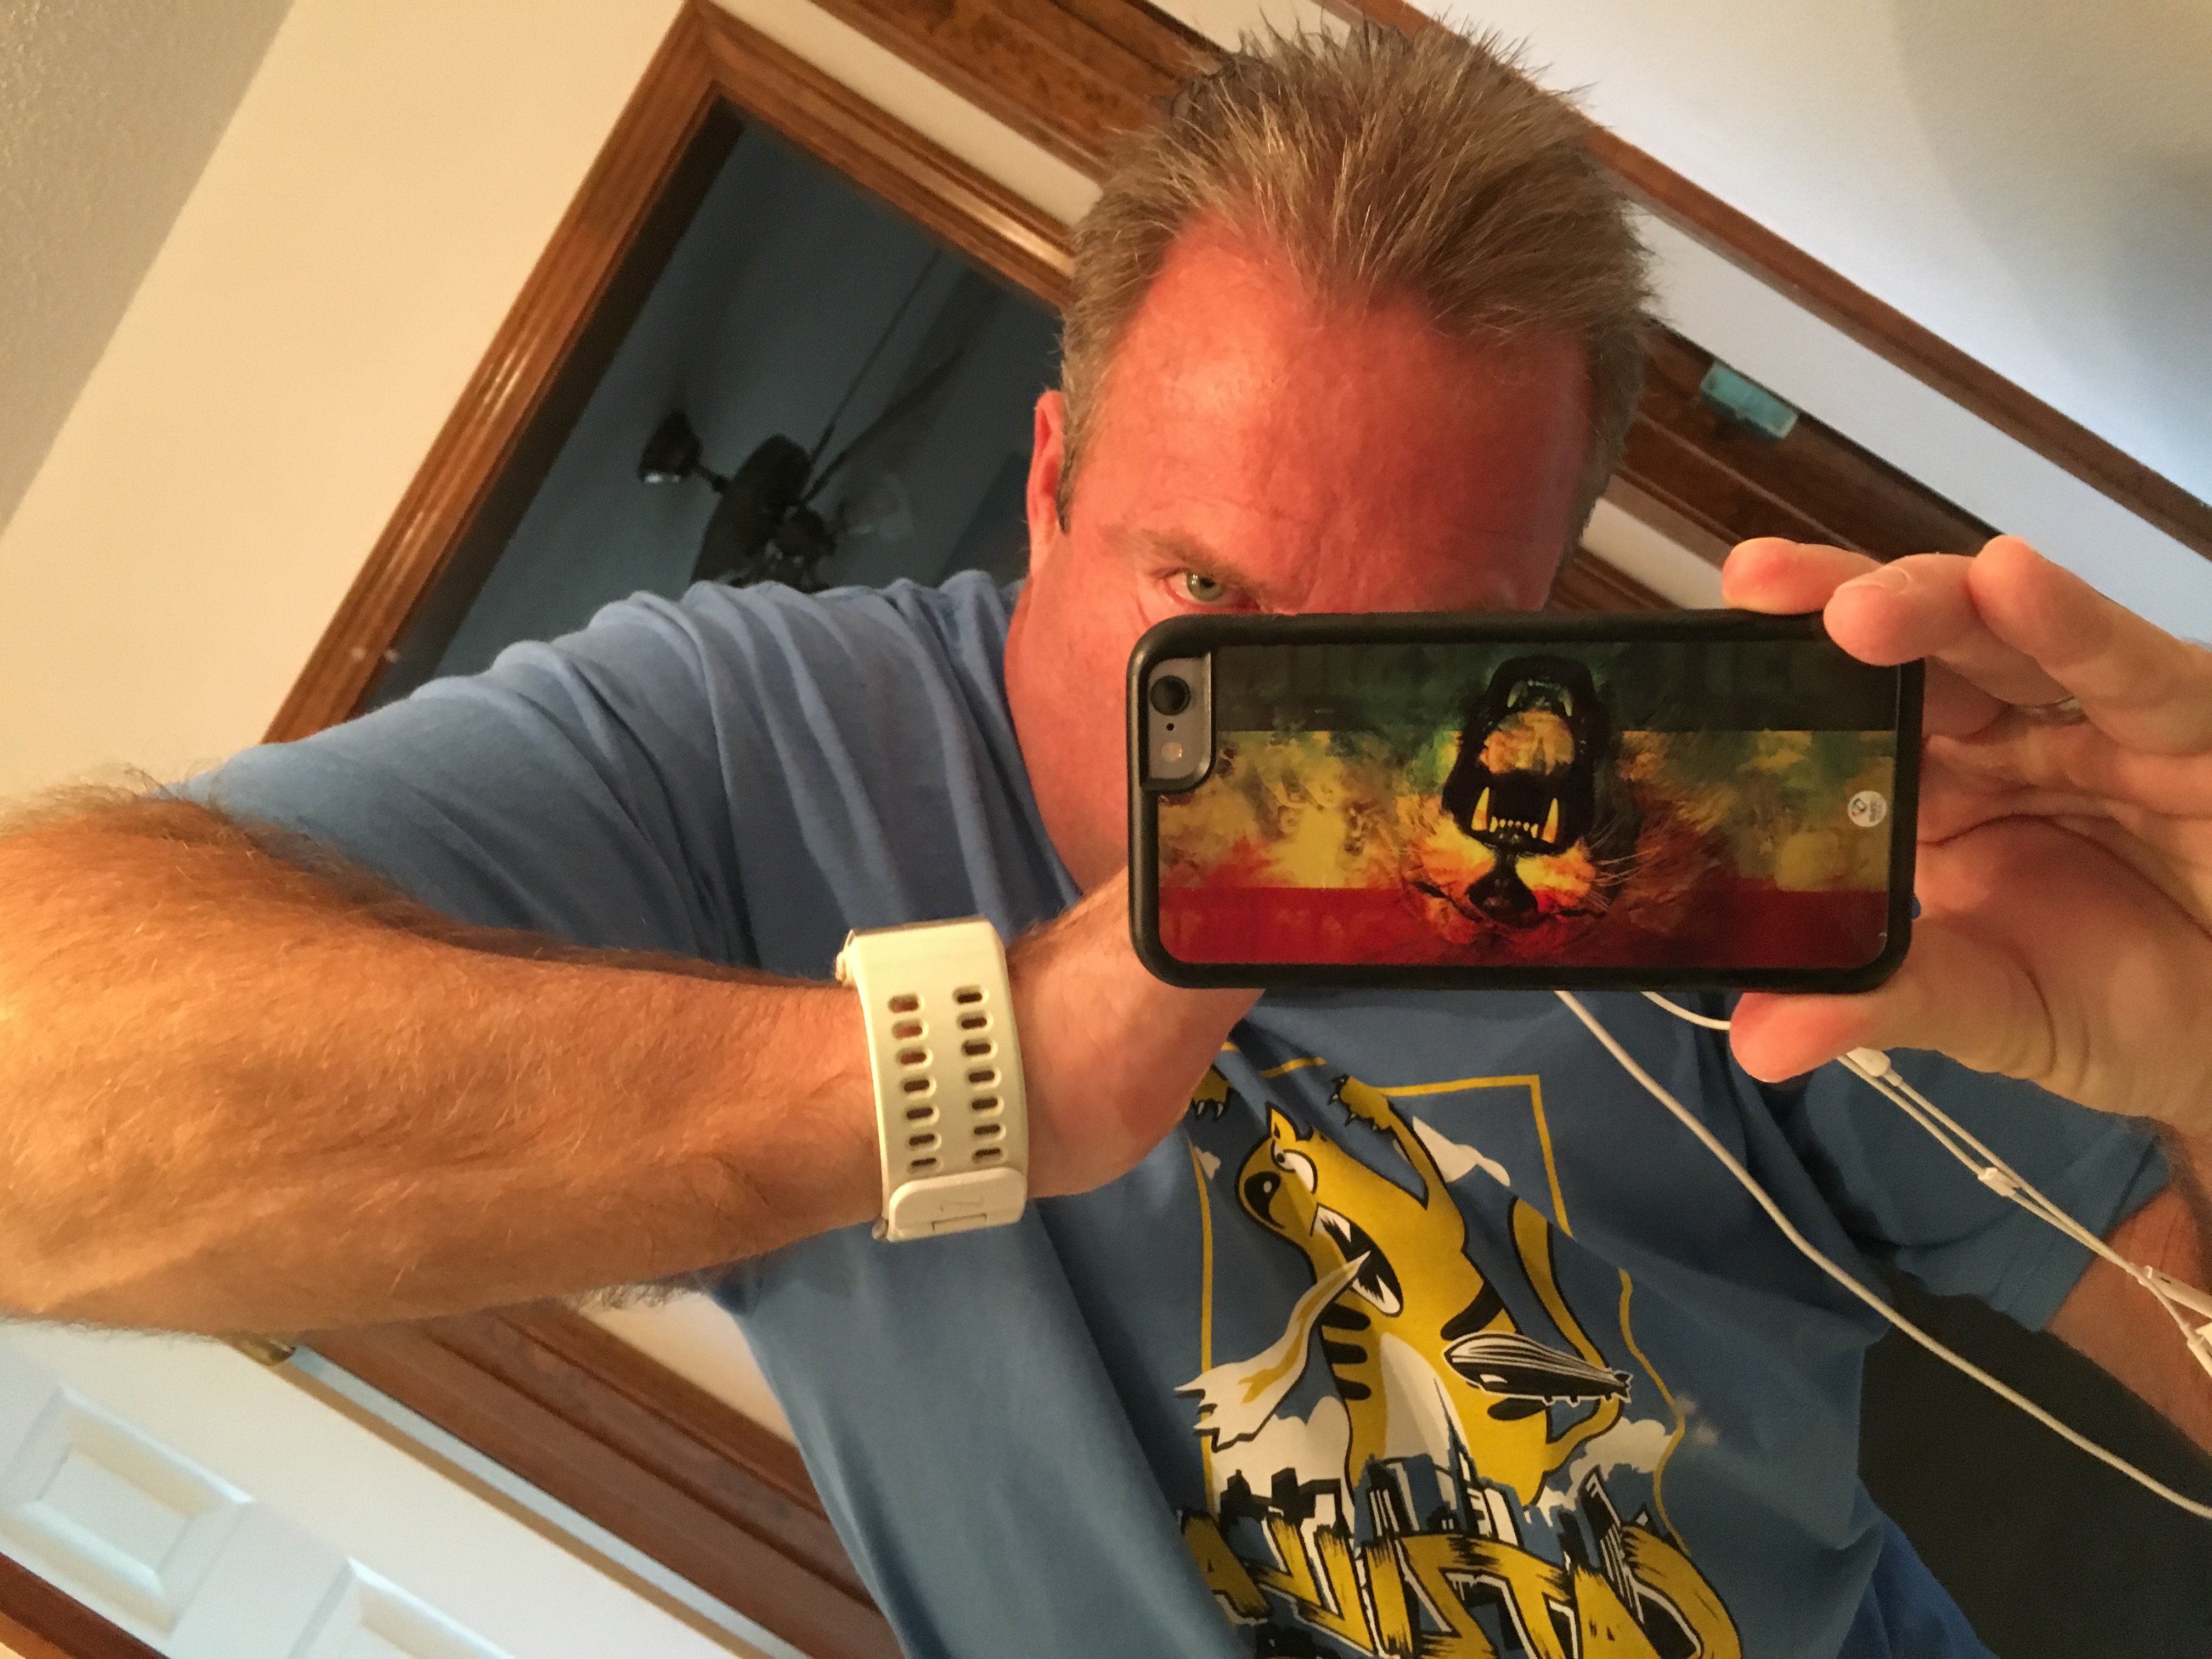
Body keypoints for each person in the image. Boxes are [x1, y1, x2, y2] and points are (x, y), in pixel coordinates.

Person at [3, 24, 2208, 1659]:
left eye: (1411, 661)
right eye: (1209, 607)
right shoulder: (759, 753)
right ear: (1050, 482)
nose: (1302, 763)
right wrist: (968, 1075)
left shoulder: (1652, 814)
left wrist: (2203, 1042)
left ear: (1540, 612)